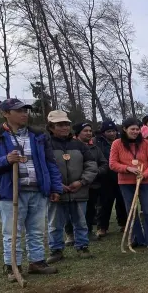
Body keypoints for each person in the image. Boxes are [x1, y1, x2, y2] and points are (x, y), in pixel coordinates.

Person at [0, 97, 62, 278]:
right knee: (12, 232)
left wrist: (55, 187)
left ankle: (37, 262)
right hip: (9, 192)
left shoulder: (37, 136)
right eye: (19, 111)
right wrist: (5, 160)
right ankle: (13, 266)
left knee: (37, 230)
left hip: (37, 190)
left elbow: (50, 163)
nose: (24, 114)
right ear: (6, 114)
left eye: (26, 110)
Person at [46, 110, 98, 264]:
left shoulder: (79, 145)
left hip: (79, 190)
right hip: (56, 192)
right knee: (55, 223)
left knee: (81, 221)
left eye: (66, 124)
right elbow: (41, 168)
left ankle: (82, 246)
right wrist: (55, 185)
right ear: (51, 127)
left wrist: (82, 182)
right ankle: (56, 250)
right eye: (60, 124)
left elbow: (91, 165)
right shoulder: (45, 145)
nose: (64, 127)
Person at [108, 117, 148, 248]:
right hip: (126, 182)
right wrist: (127, 168)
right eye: (132, 129)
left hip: (145, 181)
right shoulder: (117, 144)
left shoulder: (145, 143)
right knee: (131, 210)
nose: (135, 131)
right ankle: (137, 238)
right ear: (125, 129)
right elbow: (113, 164)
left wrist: (145, 174)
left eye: (137, 129)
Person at [73, 121, 107, 241]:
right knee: (72, 211)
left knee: (90, 210)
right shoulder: (71, 147)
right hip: (74, 185)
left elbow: (104, 163)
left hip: (93, 185)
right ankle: (71, 235)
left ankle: (88, 231)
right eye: (85, 131)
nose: (89, 133)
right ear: (78, 133)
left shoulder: (95, 148)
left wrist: (95, 172)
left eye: (90, 131)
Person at [94, 119, 126, 238]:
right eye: (108, 131)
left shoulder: (121, 141)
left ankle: (123, 223)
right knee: (104, 203)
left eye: (113, 131)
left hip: (120, 174)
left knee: (122, 201)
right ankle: (102, 227)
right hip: (105, 177)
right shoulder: (98, 143)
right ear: (103, 132)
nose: (111, 133)